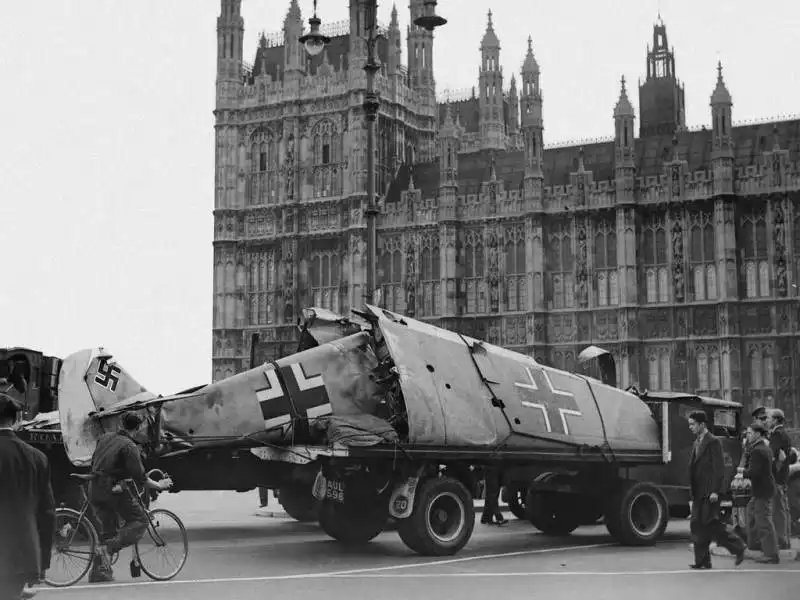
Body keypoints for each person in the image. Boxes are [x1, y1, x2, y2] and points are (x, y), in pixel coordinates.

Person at [87, 411, 173, 583]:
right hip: (111, 489)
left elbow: (96, 462)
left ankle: (100, 572)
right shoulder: (129, 446)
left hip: (94, 487)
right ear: (139, 427)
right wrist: (159, 485)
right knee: (140, 520)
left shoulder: (104, 438)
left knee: (109, 529)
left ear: (121, 424)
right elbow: (141, 478)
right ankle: (107, 549)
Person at [0, 391, 55, 600]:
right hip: (22, 554)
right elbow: (47, 513)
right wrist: (42, 563)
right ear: (16, 421)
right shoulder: (37, 458)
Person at [687, 410, 745, 569]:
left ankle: (738, 547)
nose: (690, 427)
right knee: (697, 526)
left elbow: (718, 469)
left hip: (709, 492)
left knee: (713, 525)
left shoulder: (712, 442)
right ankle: (702, 561)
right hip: (699, 492)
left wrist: (715, 491)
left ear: (702, 424)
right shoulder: (697, 442)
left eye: (693, 424)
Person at [743, 419, 780, 563]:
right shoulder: (764, 447)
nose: (748, 436)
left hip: (762, 490)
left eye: (750, 433)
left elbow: (754, 472)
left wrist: (742, 472)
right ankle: (757, 545)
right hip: (763, 488)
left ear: (758, 434)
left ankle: (771, 554)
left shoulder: (758, 450)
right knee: (753, 515)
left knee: (764, 521)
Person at [766, 408, 792, 550]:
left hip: (776, 477)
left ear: (775, 420)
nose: (767, 421)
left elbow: (773, 455)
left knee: (778, 509)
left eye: (769, 418)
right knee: (782, 508)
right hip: (782, 477)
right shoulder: (783, 434)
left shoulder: (777, 434)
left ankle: (781, 540)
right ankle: (784, 538)